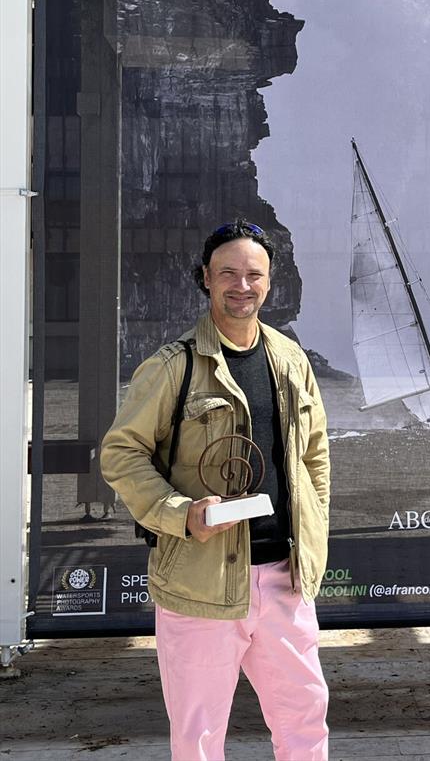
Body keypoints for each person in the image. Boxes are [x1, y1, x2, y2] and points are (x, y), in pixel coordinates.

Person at [101, 219, 330, 761]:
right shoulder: (171, 367)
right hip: (200, 586)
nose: (241, 285)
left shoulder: (292, 361)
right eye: (228, 273)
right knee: (199, 738)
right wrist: (180, 512)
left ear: (270, 283)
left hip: (284, 580)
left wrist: (313, 528)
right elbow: (120, 453)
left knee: (305, 722)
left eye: (254, 274)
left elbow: (314, 456)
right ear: (205, 278)